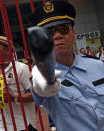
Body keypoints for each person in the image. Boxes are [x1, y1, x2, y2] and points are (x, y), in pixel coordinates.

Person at [29, 1, 104, 131]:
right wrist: (40, 86)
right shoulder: (43, 74)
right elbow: (39, 90)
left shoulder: (97, 66)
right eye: (49, 32)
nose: (58, 36)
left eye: (63, 29)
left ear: (74, 36)